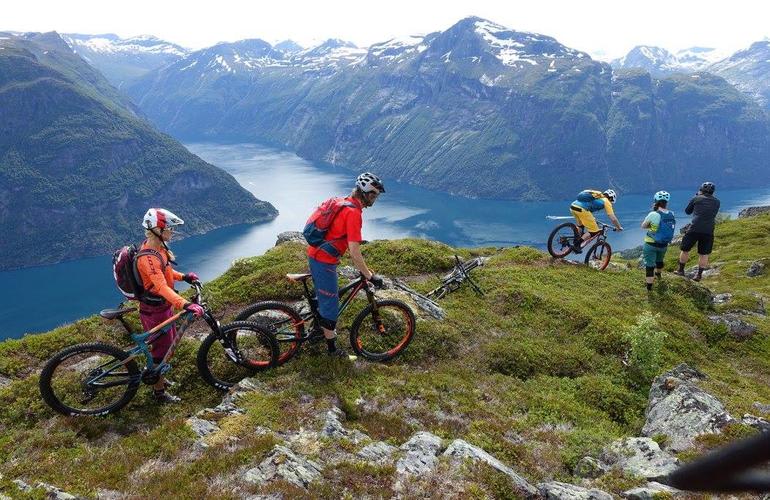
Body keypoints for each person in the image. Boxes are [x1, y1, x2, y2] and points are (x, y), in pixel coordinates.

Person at [306, 173, 385, 358]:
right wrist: (369, 275)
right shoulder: (354, 213)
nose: (375, 198)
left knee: (324, 299)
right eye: (374, 194)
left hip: (316, 254)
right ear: (365, 193)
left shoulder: (344, 202)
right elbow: (354, 252)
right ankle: (333, 352)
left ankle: (316, 332)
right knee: (331, 308)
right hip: (323, 261)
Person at [137, 208, 204, 403]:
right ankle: (159, 393)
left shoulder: (158, 249)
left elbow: (165, 272)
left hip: (164, 308)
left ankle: (161, 377)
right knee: (160, 351)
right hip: (154, 311)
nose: (172, 232)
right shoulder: (147, 258)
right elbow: (160, 286)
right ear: (158, 229)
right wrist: (185, 304)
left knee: (167, 346)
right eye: (169, 228)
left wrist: (183, 276)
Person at [674, 182, 720, 281]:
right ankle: (698, 275)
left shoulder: (696, 198)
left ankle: (681, 271)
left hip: (694, 228)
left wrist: (695, 197)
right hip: (708, 230)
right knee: (704, 254)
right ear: (713, 192)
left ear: (701, 190)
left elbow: (688, 211)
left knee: (685, 249)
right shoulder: (717, 202)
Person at [641, 191, 676, 291]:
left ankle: (649, 288)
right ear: (667, 202)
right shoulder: (671, 214)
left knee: (650, 265)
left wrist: (651, 225)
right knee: (660, 260)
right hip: (664, 244)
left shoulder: (653, 214)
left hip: (650, 243)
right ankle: (659, 275)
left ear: (656, 201)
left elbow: (643, 226)